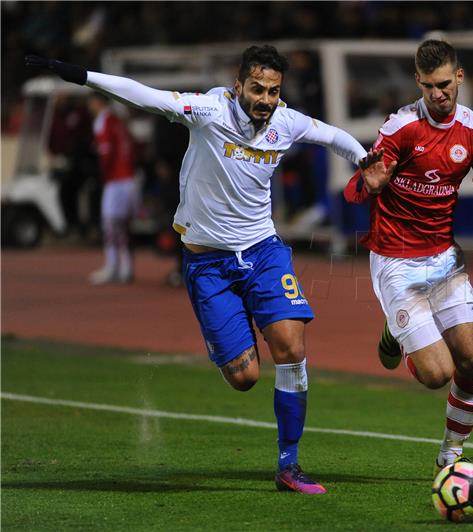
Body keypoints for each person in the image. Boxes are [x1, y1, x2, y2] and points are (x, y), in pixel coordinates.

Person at [26, 45, 388, 494]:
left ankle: (288, 466)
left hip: (263, 252)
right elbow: (143, 94)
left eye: (274, 91)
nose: (266, 99)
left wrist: (364, 160)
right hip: (208, 263)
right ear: (238, 86)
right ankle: (229, 334)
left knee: (291, 347)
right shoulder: (207, 110)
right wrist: (78, 74)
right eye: (257, 89)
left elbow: (331, 135)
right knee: (245, 378)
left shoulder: (285, 122)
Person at [343, 40, 473, 475]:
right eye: (430, 86)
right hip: (396, 260)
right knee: (438, 374)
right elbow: (353, 191)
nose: (439, 94)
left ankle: (451, 454)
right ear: (418, 82)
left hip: (443, 260)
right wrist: (370, 184)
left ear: (459, 77)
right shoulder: (400, 128)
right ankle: (396, 334)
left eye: (445, 84)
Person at [86, 92, 139, 285]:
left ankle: (112, 265)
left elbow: (106, 153)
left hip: (116, 180)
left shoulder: (103, 121)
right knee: (123, 226)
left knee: (110, 225)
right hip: (129, 178)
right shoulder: (119, 120)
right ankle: (126, 268)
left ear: (97, 102)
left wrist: (103, 177)